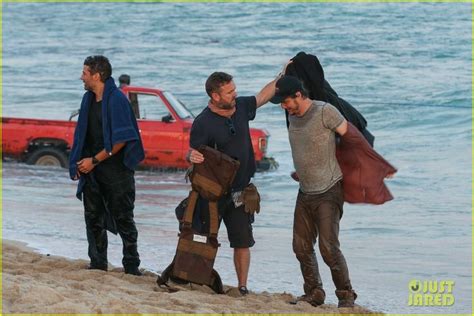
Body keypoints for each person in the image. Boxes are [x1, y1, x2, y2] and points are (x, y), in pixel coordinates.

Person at [187, 67, 287, 295]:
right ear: (215, 96)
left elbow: (263, 96)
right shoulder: (203, 122)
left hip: (241, 191)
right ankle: (196, 279)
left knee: (242, 240)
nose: (235, 93)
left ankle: (242, 286)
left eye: (235, 89)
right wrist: (189, 156)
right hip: (212, 193)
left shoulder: (241, 106)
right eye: (229, 91)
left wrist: (283, 73)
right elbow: (193, 153)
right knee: (204, 238)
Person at [270, 75, 357, 308]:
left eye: (285, 101)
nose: (283, 106)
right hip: (305, 190)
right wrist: (302, 170)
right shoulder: (293, 116)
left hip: (329, 189)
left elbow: (351, 138)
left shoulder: (324, 111)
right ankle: (314, 292)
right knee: (300, 246)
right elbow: (306, 146)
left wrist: (368, 167)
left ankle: (346, 296)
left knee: (328, 248)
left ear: (298, 95)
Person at [69, 55, 145, 276]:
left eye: (84, 73)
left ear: (96, 75)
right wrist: (77, 163)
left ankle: (132, 266)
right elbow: (80, 135)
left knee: (124, 219)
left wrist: (93, 161)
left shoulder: (117, 100)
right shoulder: (88, 99)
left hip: (116, 171)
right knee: (92, 217)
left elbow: (121, 140)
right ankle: (98, 263)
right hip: (91, 170)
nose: (81, 77)